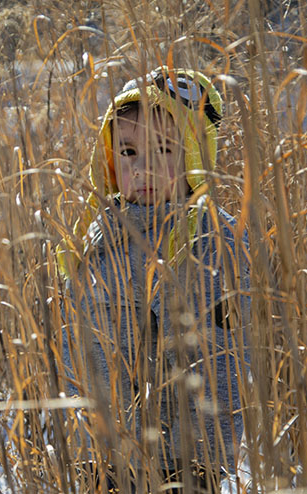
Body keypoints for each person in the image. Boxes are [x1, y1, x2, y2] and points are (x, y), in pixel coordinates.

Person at [57, 67, 251, 493]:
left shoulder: (207, 241)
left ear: (196, 155)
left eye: (163, 148)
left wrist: (201, 463)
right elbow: (76, 346)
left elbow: (223, 361)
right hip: (102, 456)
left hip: (177, 465)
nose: (141, 169)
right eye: (127, 152)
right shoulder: (97, 235)